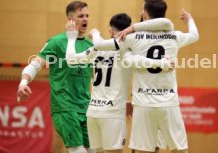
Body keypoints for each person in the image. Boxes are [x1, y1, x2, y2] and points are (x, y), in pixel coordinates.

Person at [89, 0, 199, 153]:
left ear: (145, 15)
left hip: (143, 104)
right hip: (168, 103)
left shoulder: (132, 38)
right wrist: (189, 20)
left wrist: (95, 33)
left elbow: (100, 45)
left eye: (142, 9)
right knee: (179, 149)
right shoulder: (175, 36)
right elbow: (195, 35)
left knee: (142, 150)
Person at [65, 13, 175, 153]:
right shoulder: (128, 49)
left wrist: (71, 38)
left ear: (111, 31)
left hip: (93, 113)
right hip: (113, 113)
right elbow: (143, 63)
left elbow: (71, 59)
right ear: (128, 29)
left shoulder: (96, 49)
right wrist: (162, 63)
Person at [17, 1, 94, 153]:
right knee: (78, 150)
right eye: (81, 16)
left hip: (87, 108)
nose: (85, 19)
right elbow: (35, 64)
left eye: (87, 15)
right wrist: (23, 83)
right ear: (70, 20)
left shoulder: (89, 45)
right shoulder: (57, 42)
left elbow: (94, 78)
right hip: (65, 107)